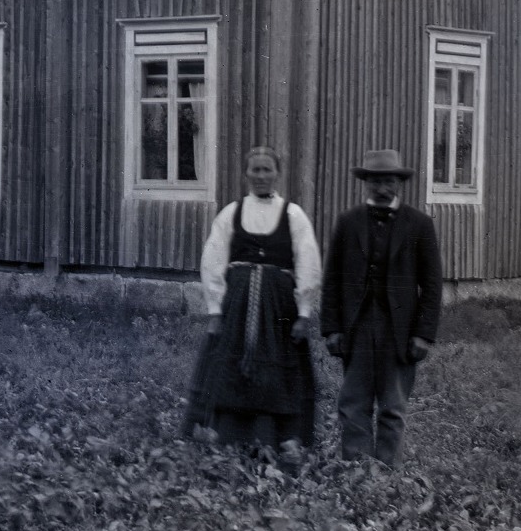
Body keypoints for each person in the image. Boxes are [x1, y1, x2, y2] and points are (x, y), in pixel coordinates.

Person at [183, 146, 322, 449]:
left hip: (279, 310)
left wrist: (303, 312)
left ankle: (277, 439)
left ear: (278, 173)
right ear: (246, 173)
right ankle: (229, 436)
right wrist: (215, 310)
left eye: (267, 169)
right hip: (237, 308)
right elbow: (213, 260)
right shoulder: (231, 213)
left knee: (278, 369)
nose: (261, 176)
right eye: (255, 170)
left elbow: (308, 263)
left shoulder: (293, 215)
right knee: (230, 367)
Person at [320, 149, 443, 467]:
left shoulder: (419, 224)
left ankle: (388, 476)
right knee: (353, 403)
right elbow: (332, 278)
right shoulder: (348, 222)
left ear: (399, 183)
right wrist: (332, 328)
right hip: (357, 327)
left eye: (388, 181)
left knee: (393, 405)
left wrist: (423, 334)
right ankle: (359, 472)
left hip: (399, 331)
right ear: (366, 183)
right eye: (375, 181)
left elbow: (432, 285)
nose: (382, 188)